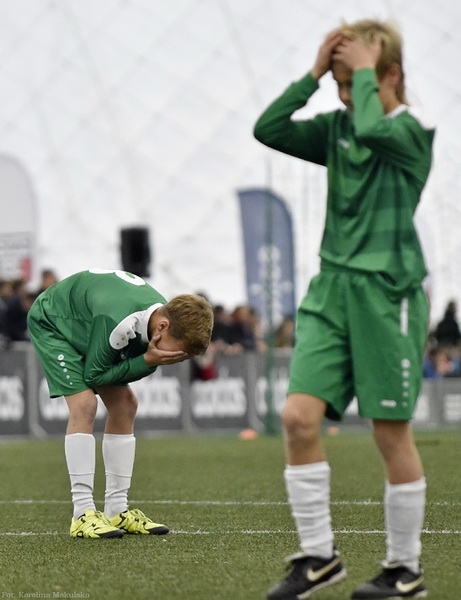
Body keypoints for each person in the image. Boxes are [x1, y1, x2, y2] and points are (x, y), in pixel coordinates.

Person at [254, 19, 434, 600]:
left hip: (387, 296)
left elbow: (375, 126)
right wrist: (312, 74)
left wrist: (359, 71)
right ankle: (318, 557)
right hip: (331, 291)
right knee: (297, 418)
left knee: (389, 433)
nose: (342, 88)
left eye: (354, 75)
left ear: (391, 75)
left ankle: (405, 570)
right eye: (338, 76)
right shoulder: (336, 128)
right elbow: (268, 128)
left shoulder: (410, 134)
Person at [27, 268, 213, 539]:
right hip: (53, 322)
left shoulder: (160, 316)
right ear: (163, 327)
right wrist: (147, 362)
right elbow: (95, 375)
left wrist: (146, 361)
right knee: (84, 404)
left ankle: (117, 509)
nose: (178, 357)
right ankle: (82, 514)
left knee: (126, 404)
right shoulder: (122, 322)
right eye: (179, 350)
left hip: (86, 322)